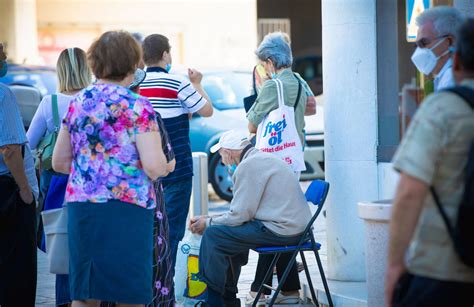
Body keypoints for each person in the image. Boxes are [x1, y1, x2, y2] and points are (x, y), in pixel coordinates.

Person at [52, 30, 168, 307]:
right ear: (133, 62)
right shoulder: (137, 106)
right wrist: (162, 166)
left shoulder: (78, 103)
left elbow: (59, 162)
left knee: (84, 295)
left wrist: (92, 171)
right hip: (128, 209)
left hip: (84, 209)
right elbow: (153, 166)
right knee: (130, 295)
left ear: (95, 62)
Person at [386, 19, 474, 307]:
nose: (418, 51)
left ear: (456, 55)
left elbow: (410, 191)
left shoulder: (443, 107)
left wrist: (395, 266)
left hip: (446, 267)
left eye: (423, 43)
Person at [189, 130, 311, 306]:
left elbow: (239, 215)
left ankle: (216, 301)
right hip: (296, 227)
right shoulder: (261, 158)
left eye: (221, 154)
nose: (222, 159)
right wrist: (212, 219)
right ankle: (228, 298)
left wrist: (208, 223)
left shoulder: (249, 166)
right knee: (228, 233)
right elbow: (242, 213)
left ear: (229, 152)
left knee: (214, 236)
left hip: (283, 229)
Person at [140, 34, 213, 291]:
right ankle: (164, 289)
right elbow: (206, 110)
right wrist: (197, 83)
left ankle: (147, 287)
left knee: (147, 232)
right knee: (171, 234)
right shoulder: (178, 82)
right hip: (178, 168)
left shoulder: (135, 86)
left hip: (146, 172)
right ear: (164, 55)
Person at [246, 31, 307, 304]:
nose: (262, 67)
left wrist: (261, 89)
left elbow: (251, 122)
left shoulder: (273, 86)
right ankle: (289, 290)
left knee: (271, 223)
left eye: (263, 63)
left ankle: (259, 290)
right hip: (293, 159)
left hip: (274, 162)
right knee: (281, 221)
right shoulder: (299, 81)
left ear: (270, 61)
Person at [27, 47, 91, 307]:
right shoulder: (93, 99)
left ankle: (65, 301)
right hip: (90, 181)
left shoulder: (50, 102)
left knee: (62, 244)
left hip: (57, 182)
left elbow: (29, 142)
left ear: (60, 71)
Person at [130, 68, 176, 306]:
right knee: (152, 265)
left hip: (101, 208)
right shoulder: (145, 113)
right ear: (138, 86)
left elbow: (60, 161)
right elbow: (164, 164)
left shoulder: (90, 107)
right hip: (145, 203)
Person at [0, 42, 39, 306]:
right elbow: (10, 149)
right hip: (5, 194)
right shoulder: (3, 94)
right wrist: (25, 190)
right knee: (17, 272)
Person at [412, 6, 465, 91]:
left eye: (424, 42)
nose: (419, 50)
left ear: (449, 41)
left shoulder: (451, 80)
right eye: (416, 45)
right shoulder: (444, 77)